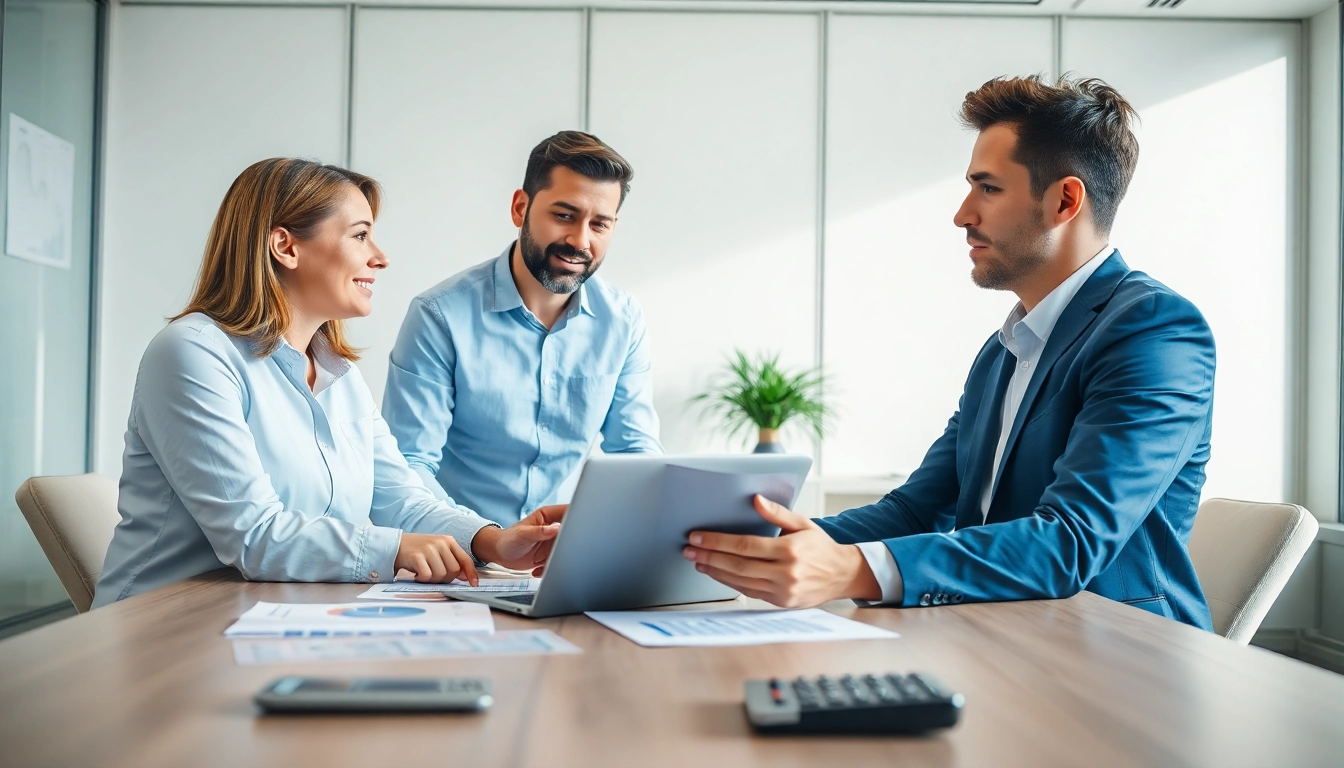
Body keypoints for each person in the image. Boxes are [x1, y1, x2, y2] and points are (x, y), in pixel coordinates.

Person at [682, 75, 1217, 630]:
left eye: (987, 188)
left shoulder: (1155, 330)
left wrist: (848, 570)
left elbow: (1071, 542)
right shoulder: (1004, 351)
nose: (962, 214)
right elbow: (918, 509)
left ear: (1064, 200)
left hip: (1123, 654)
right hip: (1007, 633)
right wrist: (750, 545)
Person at [93, 159, 563, 608]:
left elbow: (398, 497)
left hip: (273, 614)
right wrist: (395, 549)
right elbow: (253, 534)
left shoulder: (340, 374)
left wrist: (496, 541)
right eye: (360, 236)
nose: (380, 258)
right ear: (286, 246)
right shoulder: (192, 353)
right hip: (165, 627)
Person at [382, 131, 662, 528]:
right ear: (520, 208)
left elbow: (636, 455)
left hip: (565, 556)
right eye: (564, 215)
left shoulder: (623, 320)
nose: (579, 240)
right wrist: (487, 540)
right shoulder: (439, 316)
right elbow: (409, 466)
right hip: (458, 556)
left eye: (600, 224)